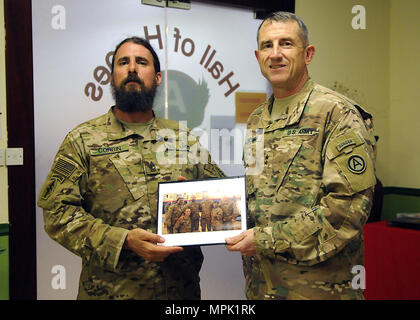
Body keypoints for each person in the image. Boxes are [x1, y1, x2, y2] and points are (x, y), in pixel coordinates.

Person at [38, 36, 225, 300]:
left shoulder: (184, 138)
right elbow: (57, 213)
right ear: (112, 77)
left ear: (157, 78)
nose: (132, 68)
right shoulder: (82, 140)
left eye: (142, 62)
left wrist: (198, 202)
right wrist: (122, 240)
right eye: (123, 62)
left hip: (179, 292)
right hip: (110, 292)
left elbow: (227, 205)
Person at [225, 11, 376, 300]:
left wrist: (266, 239)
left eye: (286, 43)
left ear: (308, 54)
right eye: (267, 46)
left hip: (318, 289)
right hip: (262, 285)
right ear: (258, 57)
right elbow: (260, 196)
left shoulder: (337, 113)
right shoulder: (258, 119)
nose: (276, 54)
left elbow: (347, 211)